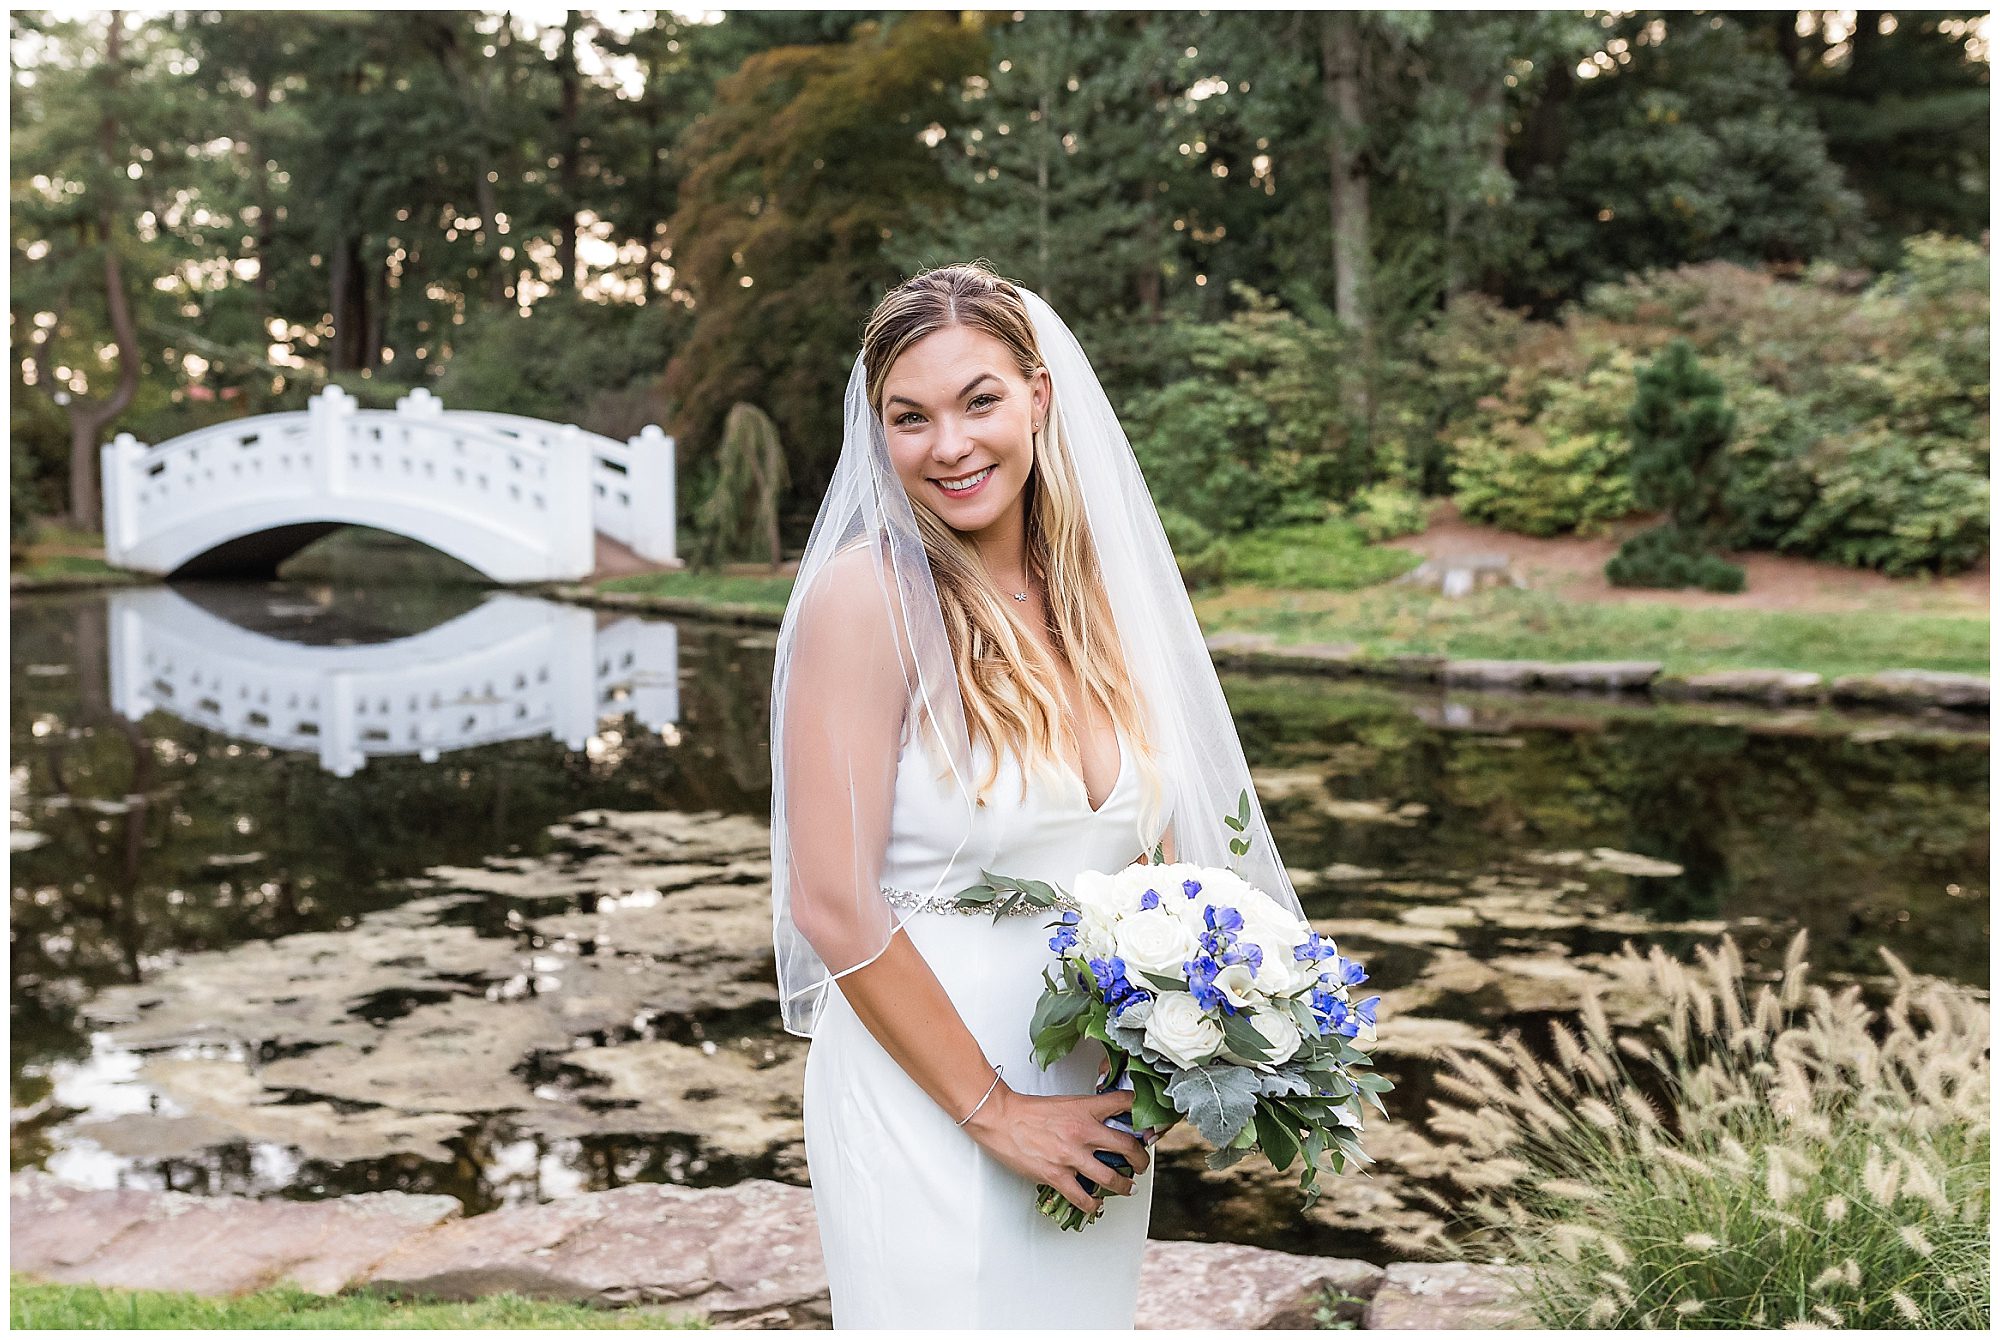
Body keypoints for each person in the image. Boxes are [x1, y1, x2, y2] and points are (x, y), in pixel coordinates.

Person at [769, 262, 1302, 1328]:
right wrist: (995, 1110)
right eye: (909, 417)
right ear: (878, 434)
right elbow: (829, 900)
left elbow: (1148, 858)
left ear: (1038, 397)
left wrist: (1189, 1031)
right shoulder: (865, 600)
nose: (949, 445)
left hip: (1092, 1088)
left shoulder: (1097, 595)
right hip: (931, 1088)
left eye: (979, 401)